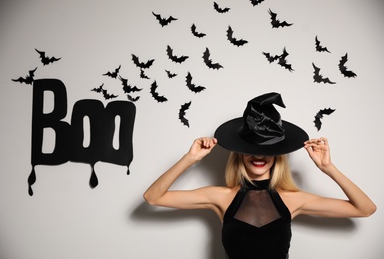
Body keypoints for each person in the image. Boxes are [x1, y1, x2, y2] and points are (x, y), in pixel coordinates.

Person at [143, 92, 376, 259]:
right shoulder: (221, 197)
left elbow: (365, 209)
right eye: (253, 150)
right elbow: (154, 197)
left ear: (277, 155)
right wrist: (190, 158)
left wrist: (328, 168)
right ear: (240, 153)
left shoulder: (292, 199)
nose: (260, 156)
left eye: (268, 151)